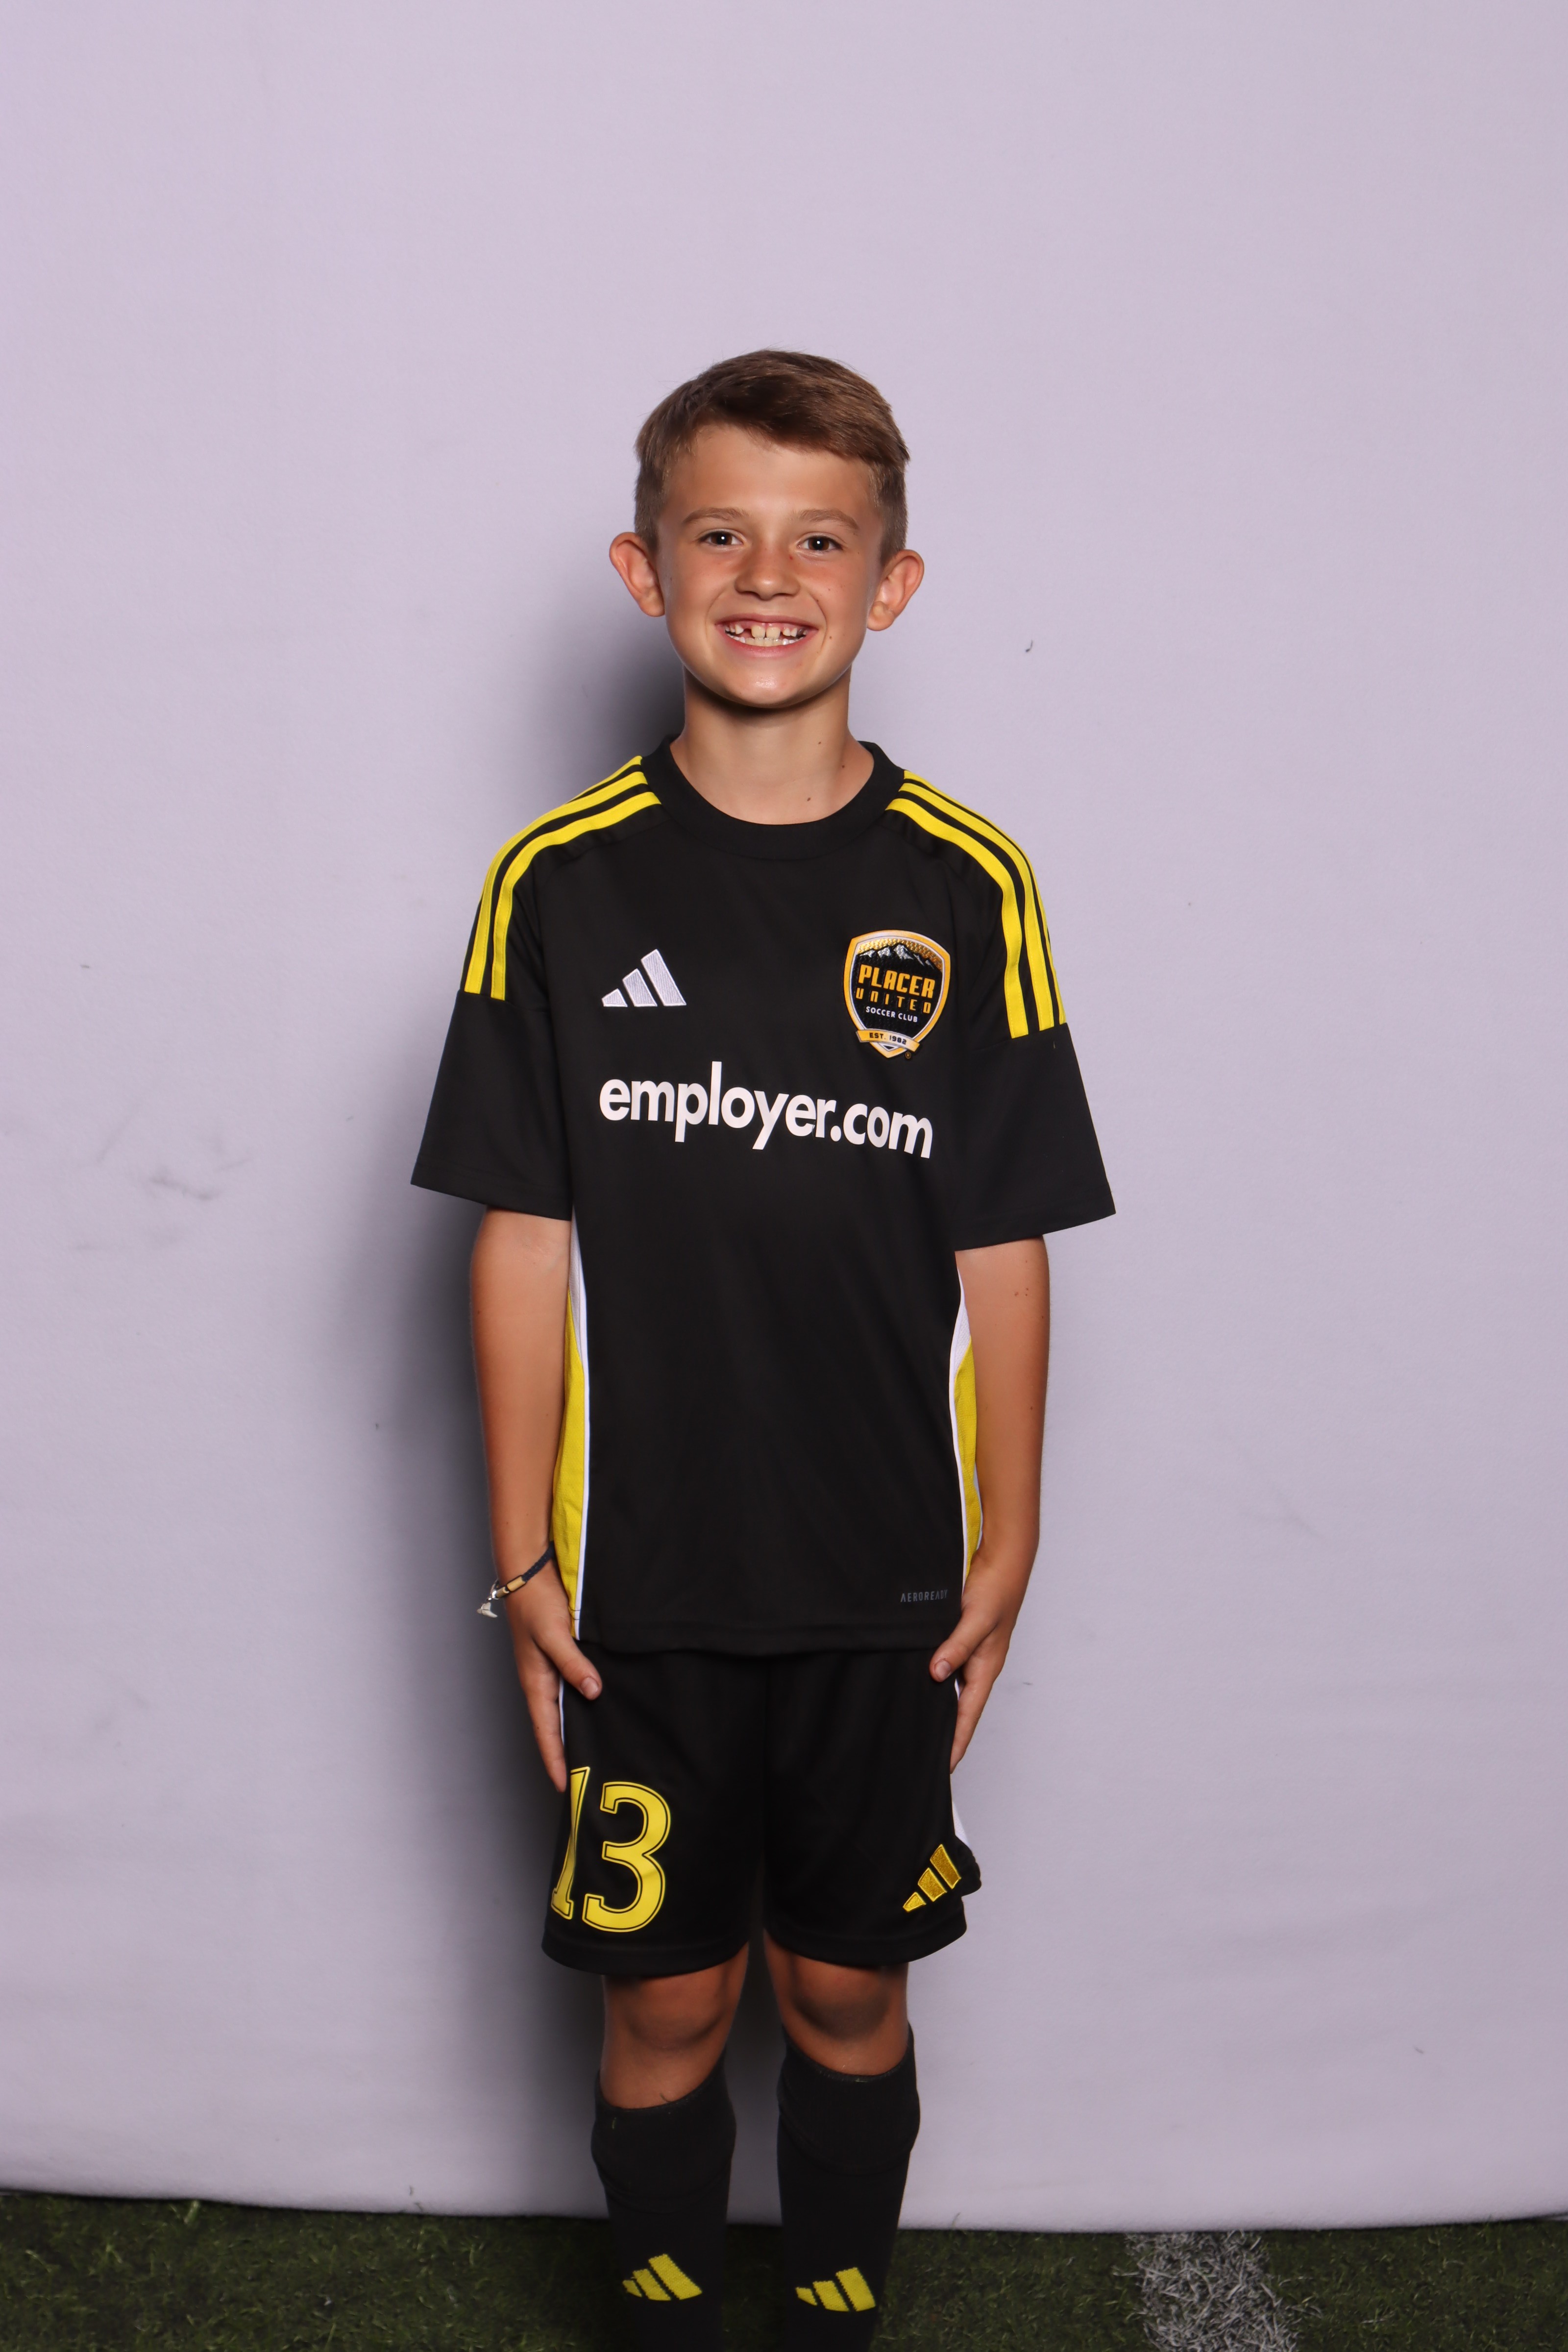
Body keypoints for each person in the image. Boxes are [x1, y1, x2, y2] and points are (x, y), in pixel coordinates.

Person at [412, 350, 1113, 2346]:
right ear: (644, 570)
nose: (767, 574)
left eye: (820, 539)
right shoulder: (557, 883)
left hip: (881, 1576)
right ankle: (660, 2311)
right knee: (667, 1997)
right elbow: (521, 1236)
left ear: (892, 583)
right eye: (719, 532)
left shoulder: (966, 885)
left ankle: (828, 2309)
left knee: (841, 1983)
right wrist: (525, 1565)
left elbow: (1002, 1237)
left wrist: (1010, 1539)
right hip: (638, 1587)